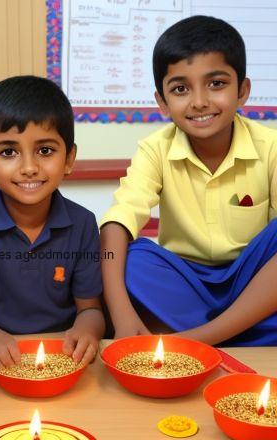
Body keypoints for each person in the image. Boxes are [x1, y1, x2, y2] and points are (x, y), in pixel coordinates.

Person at [101, 16, 277, 346]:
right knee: (133, 256)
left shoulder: (271, 148)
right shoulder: (155, 149)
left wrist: (195, 339)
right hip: (186, 279)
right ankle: (242, 334)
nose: (199, 101)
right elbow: (118, 222)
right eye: (181, 89)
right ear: (162, 103)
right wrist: (122, 315)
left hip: (253, 280)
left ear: (242, 91)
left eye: (216, 84)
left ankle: (199, 338)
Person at [0, 76, 105, 371]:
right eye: (8, 152)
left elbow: (90, 308)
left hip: (61, 356)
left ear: (69, 158)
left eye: (45, 151)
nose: (29, 168)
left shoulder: (83, 223)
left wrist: (87, 331)